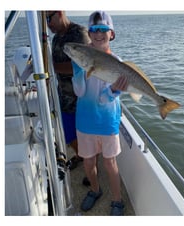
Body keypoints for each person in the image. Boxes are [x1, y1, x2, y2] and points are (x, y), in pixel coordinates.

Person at [71, 11, 128, 216]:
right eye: (94, 29)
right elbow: (79, 91)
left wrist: (113, 91)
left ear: (111, 33)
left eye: (103, 29)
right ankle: (95, 190)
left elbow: (106, 98)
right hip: (85, 121)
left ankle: (117, 200)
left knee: (110, 162)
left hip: (107, 121)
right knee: (88, 161)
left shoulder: (117, 61)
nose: (98, 34)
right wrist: (81, 68)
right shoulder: (80, 57)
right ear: (89, 33)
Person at [46, 11, 90, 170]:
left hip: (81, 97)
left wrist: (52, 69)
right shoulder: (56, 38)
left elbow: (85, 66)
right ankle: (82, 156)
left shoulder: (79, 33)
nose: (47, 24)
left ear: (59, 13)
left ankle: (89, 165)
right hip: (63, 96)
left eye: (48, 18)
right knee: (69, 133)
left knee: (84, 135)